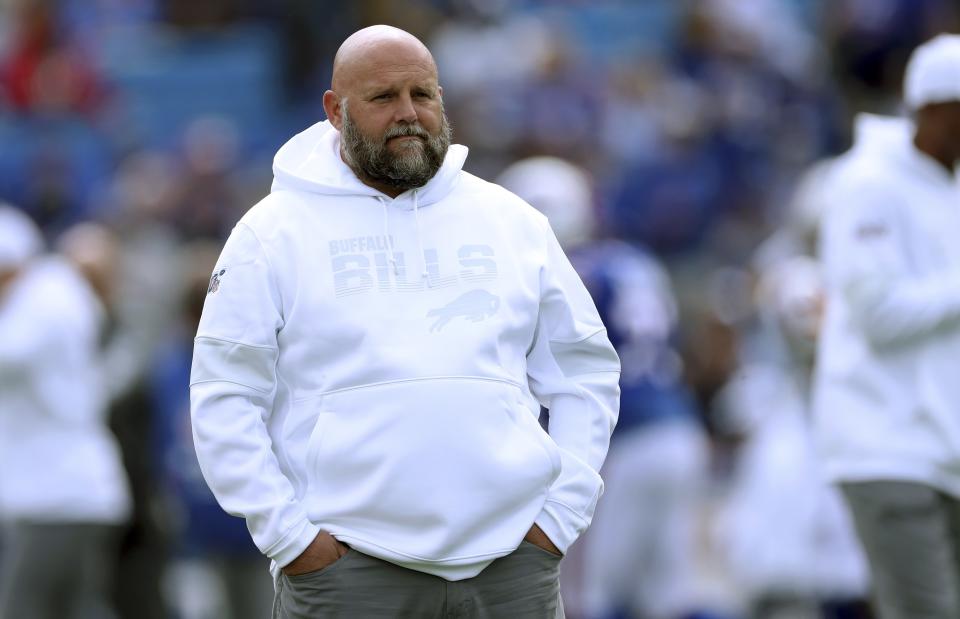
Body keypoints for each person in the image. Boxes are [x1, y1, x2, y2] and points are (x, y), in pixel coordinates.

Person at [189, 25, 620, 618]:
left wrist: (557, 520)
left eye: (423, 94)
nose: (409, 113)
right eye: (383, 97)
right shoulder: (270, 233)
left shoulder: (512, 220)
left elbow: (585, 375)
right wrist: (290, 538)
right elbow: (224, 396)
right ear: (334, 110)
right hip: (350, 570)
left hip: (512, 569)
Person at [497, 156, 709, 619]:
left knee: (589, 595)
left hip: (619, 443)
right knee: (671, 593)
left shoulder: (562, 274)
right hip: (679, 428)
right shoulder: (633, 261)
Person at [813, 33, 960, 619]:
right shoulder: (866, 183)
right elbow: (880, 316)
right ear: (933, 108)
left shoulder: (949, 184)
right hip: (885, 444)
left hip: (943, 444)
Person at [0, 207, 131, 619]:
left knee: (25, 607)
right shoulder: (50, 293)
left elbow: (10, 355)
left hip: (60, 496)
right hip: (61, 494)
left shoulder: (45, 295)